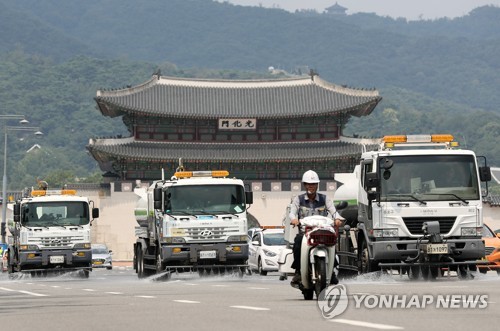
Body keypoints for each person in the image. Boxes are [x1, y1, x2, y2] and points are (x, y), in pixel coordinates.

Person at [289, 170, 344, 288]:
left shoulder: (325, 199)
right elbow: (292, 213)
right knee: (297, 243)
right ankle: (298, 272)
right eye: (308, 184)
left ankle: (332, 270)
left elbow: (334, 212)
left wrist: (338, 219)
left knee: (332, 243)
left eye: (313, 184)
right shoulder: (298, 199)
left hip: (322, 232)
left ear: (317, 185)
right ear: (304, 185)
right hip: (306, 233)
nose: (311, 186)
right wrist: (294, 219)